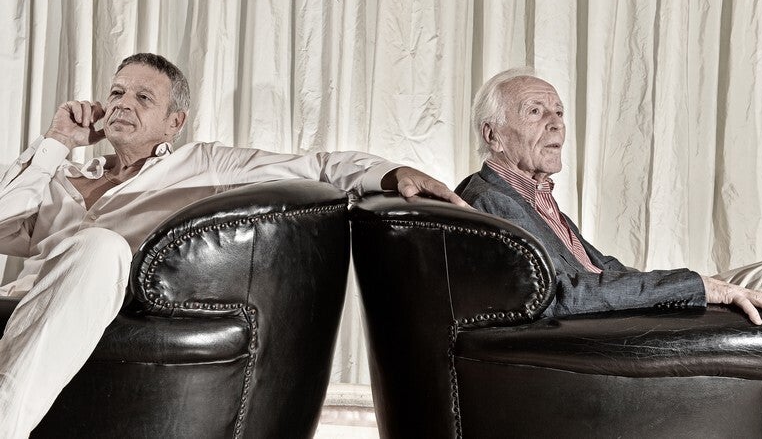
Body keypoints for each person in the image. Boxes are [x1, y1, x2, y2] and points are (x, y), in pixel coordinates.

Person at [0, 53, 465, 437]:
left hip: (111, 296)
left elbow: (317, 167)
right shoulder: (67, 175)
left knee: (101, 246)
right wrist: (56, 142)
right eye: (117, 93)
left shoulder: (204, 164)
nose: (123, 104)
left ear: (174, 123)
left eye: (143, 98)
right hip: (26, 302)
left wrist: (391, 173)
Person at [456, 66, 762, 324]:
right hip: (607, 330)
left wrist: (692, 285)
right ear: (493, 135)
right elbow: (560, 296)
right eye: (535, 111)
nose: (556, 122)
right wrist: (692, 287)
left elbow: (604, 270)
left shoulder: (535, 196)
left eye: (558, 112)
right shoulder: (490, 202)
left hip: (625, 308)